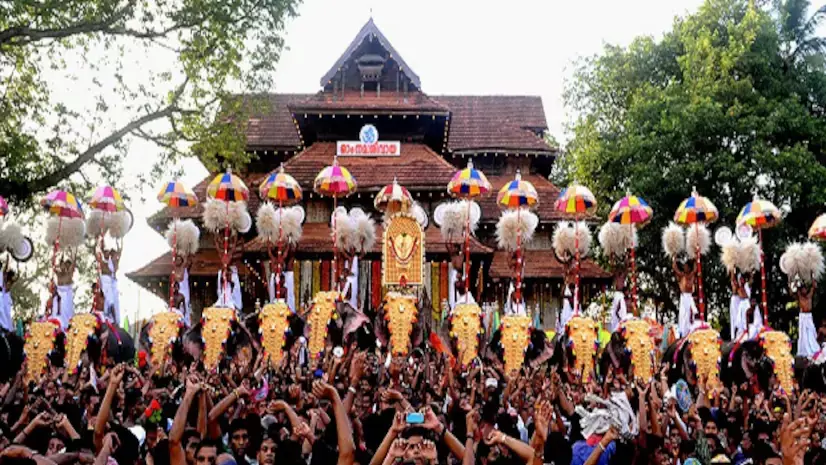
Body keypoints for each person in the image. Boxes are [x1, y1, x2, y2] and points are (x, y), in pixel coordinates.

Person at [673, 258, 700, 338]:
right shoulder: (681, 275)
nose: (685, 268)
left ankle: (690, 333)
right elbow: (674, 267)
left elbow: (695, 269)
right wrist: (674, 257)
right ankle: (683, 334)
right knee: (684, 316)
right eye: (684, 266)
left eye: (687, 266)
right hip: (684, 297)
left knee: (690, 316)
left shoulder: (691, 275)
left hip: (690, 297)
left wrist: (695, 257)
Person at [97, 245, 121, 326]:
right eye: (106, 252)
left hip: (111, 284)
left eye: (108, 253)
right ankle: (107, 317)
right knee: (107, 301)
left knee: (112, 302)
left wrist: (119, 242)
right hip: (105, 284)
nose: (107, 254)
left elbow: (120, 253)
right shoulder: (102, 262)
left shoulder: (112, 263)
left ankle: (114, 319)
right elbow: (97, 253)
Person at [795, 280, 818, 357]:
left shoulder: (809, 296)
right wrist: (795, 282)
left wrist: (812, 277)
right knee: (803, 334)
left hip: (809, 316)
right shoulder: (800, 296)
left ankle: (814, 347)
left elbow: (813, 287)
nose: (804, 290)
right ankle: (803, 350)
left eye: (805, 289)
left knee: (811, 331)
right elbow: (794, 290)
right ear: (801, 290)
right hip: (803, 316)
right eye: (803, 289)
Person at [729, 272, 750, 340]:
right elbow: (733, 280)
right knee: (737, 321)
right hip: (739, 304)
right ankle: (738, 335)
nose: (742, 280)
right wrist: (732, 268)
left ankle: (746, 333)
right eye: (740, 279)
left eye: (742, 279)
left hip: (746, 304)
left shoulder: (746, 285)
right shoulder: (737, 287)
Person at [608, 268, 628, 333]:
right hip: (615, 329)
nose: (623, 284)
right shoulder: (619, 296)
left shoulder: (606, 293)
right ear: (616, 280)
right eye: (622, 281)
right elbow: (623, 316)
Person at [0, 259, 16, 332]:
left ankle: (7, 329)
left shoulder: (8, 282)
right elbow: (4, 270)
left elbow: (6, 289)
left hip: (5, 299)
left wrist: (7, 261)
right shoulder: (3, 278)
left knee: (5, 314)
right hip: (4, 298)